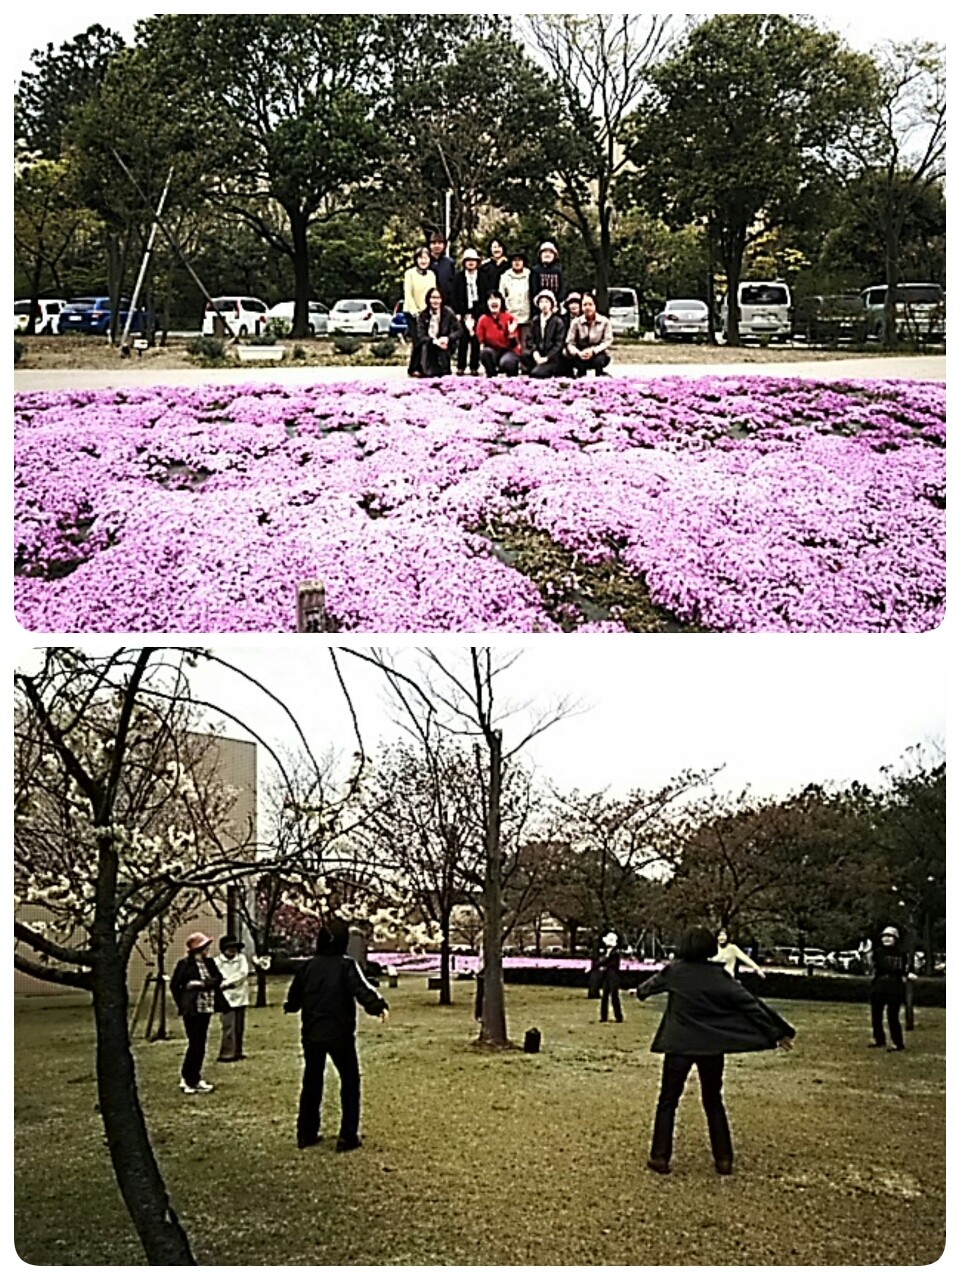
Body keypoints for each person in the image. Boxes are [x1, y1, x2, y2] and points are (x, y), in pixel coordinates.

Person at [636, 925, 795, 1176]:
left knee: (668, 1100)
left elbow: (645, 990)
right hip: (711, 1046)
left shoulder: (675, 971)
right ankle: (723, 1159)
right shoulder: (719, 976)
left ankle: (660, 1157)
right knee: (713, 1101)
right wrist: (778, 1032)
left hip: (678, 1046)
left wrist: (642, 992)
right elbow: (750, 1005)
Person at [284, 917, 389, 1151]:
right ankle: (347, 1135)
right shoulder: (346, 966)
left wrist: (290, 1006)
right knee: (350, 1081)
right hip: (340, 1033)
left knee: (312, 1080)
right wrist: (378, 1006)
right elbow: (361, 989)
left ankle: (306, 1133)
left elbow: (294, 996)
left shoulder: (307, 967)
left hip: (312, 1033)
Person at [170, 932, 227, 1094]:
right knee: (194, 1043)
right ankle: (188, 1078)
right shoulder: (184, 964)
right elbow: (176, 985)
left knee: (201, 1043)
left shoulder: (209, 963)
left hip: (206, 1007)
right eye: (204, 947)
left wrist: (201, 984)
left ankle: (195, 1077)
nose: (207, 950)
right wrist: (183, 1002)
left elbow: (217, 979)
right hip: (192, 1009)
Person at [868, 925, 914, 1051]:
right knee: (876, 1016)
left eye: (890, 937)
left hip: (895, 988)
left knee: (893, 1017)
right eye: (885, 937)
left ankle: (898, 1043)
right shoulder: (878, 952)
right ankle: (879, 1040)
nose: (887, 939)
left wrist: (907, 973)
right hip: (879, 986)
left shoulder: (902, 954)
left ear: (895, 939)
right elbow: (880, 966)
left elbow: (905, 968)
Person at [213, 935, 251, 1062]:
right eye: (229, 948)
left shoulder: (241, 959)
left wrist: (227, 982)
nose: (232, 950)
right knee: (228, 1026)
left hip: (240, 996)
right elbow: (217, 977)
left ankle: (238, 1051)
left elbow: (243, 973)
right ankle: (226, 1053)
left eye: (234, 948)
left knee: (239, 1027)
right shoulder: (217, 962)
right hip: (226, 999)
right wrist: (223, 984)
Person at [402, 246, 436, 377]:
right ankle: (413, 368)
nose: (423, 261)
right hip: (412, 313)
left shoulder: (432, 274)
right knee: (417, 340)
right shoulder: (409, 273)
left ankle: (424, 367)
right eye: (421, 258)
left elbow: (433, 293)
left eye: (426, 258)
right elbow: (408, 294)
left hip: (426, 312)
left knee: (426, 340)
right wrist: (415, 312)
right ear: (416, 259)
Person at [451, 247, 485, 376]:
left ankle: (474, 366)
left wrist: (478, 314)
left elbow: (485, 296)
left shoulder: (483, 277)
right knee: (463, 340)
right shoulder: (458, 277)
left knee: (476, 340)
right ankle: (461, 366)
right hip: (462, 313)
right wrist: (459, 313)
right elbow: (454, 296)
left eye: (473, 260)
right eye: (468, 260)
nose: (471, 263)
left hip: (477, 313)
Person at [565, 292, 614, 377]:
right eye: (585, 305)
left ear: (595, 306)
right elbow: (570, 342)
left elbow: (607, 341)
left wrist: (593, 351)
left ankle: (600, 373)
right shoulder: (576, 322)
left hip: (598, 352)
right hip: (580, 352)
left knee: (599, 360)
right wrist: (578, 353)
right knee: (568, 355)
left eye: (590, 304)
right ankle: (579, 373)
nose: (588, 307)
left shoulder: (604, 321)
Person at [416, 287, 461, 378]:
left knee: (443, 350)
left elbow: (459, 330)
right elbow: (421, 335)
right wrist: (435, 341)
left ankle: (445, 371)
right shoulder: (423, 315)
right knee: (426, 346)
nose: (435, 301)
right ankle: (427, 371)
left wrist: (448, 338)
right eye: (433, 298)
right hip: (430, 343)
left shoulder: (448, 313)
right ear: (428, 299)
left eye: (438, 298)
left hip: (445, 343)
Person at [521, 290, 566, 379]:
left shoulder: (557, 321)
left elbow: (559, 344)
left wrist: (547, 358)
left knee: (537, 373)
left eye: (547, 302)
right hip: (538, 354)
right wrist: (535, 353)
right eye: (541, 302)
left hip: (551, 357)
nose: (544, 304)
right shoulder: (535, 320)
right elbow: (530, 340)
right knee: (524, 355)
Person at [476, 291, 522, 377]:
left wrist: (511, 334)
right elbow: (481, 342)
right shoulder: (483, 319)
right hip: (492, 350)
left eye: (496, 298)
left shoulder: (509, 318)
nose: (494, 301)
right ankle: (491, 377)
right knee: (485, 353)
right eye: (490, 299)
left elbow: (516, 344)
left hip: (508, 350)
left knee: (507, 362)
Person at [500, 251, 532, 349]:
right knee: (511, 345)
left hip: (527, 316)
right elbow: (501, 296)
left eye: (519, 260)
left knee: (526, 346)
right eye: (514, 260)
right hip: (511, 316)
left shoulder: (530, 275)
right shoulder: (505, 277)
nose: (517, 263)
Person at [529, 240, 564, 314]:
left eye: (550, 252)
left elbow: (561, 290)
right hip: (539, 309)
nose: (547, 254)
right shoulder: (535, 271)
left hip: (555, 309)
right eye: (545, 252)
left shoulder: (558, 271)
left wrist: (557, 305)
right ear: (540, 255)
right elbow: (533, 291)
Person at [597, 931, 624, 1023]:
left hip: (613, 976)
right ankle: (604, 1016)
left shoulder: (614, 953)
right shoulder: (607, 953)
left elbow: (611, 963)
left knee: (614, 996)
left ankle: (619, 1017)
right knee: (604, 996)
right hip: (607, 976)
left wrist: (601, 966)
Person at [427, 229, 456, 304]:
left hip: (446, 303)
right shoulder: (424, 262)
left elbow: (454, 284)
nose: (437, 245)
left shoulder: (449, 263)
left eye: (440, 243)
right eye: (433, 243)